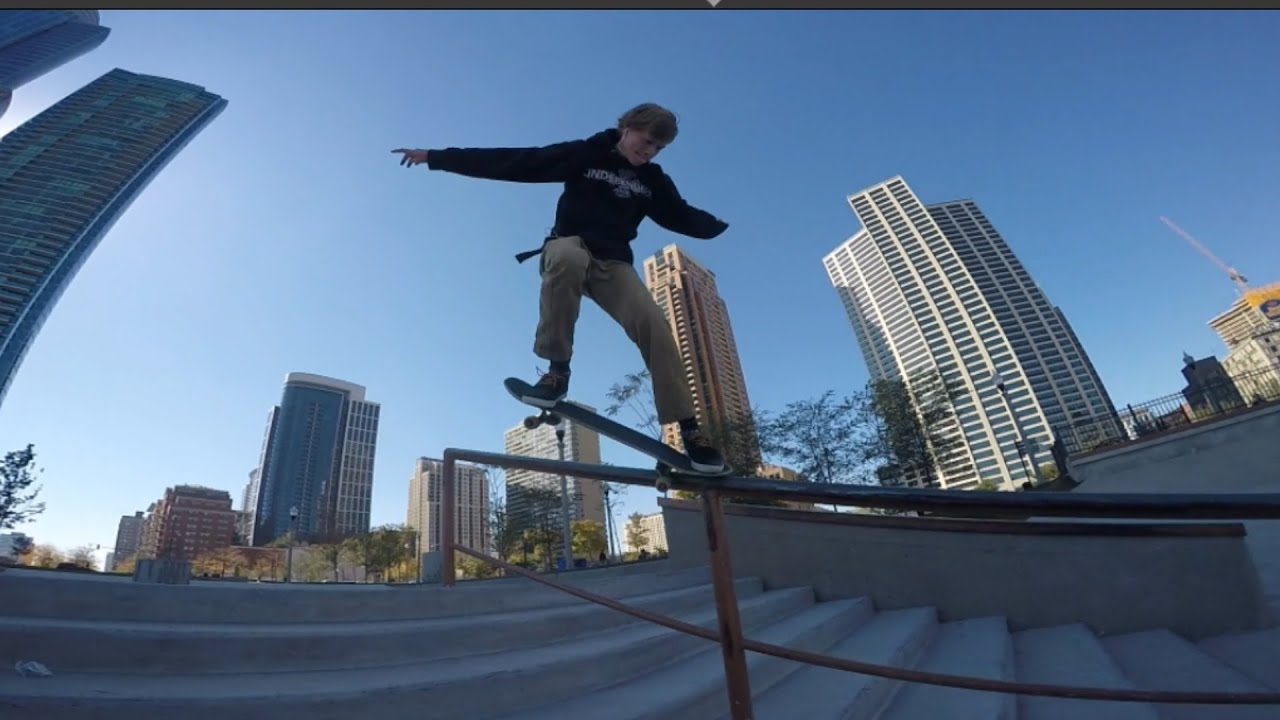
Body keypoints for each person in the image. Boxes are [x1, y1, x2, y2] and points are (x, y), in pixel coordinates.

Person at [392, 103, 728, 473]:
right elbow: (520, 161)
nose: (648, 152)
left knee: (654, 323)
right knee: (568, 257)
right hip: (568, 246)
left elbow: (679, 214)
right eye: (646, 141)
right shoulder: (585, 154)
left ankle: (690, 429)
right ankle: (557, 372)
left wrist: (716, 225)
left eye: (657, 149)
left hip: (613, 264)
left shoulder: (653, 181)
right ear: (627, 128)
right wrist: (436, 158)